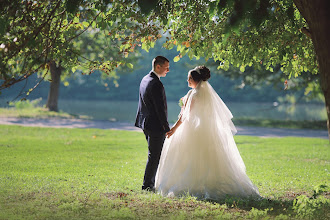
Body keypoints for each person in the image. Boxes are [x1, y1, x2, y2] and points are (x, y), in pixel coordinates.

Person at [155, 66, 260, 200]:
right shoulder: (204, 93)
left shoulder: (194, 94)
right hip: (206, 129)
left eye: (189, 79)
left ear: (194, 79)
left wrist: (174, 129)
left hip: (192, 129)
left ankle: (192, 183)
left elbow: (185, 117)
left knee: (189, 156)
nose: (187, 81)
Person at [135, 56, 171, 191]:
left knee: (153, 155)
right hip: (155, 126)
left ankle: (151, 183)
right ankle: (147, 185)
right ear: (158, 66)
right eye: (166, 67)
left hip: (146, 123)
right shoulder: (156, 83)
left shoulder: (145, 79)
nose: (168, 70)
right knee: (154, 156)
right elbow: (160, 109)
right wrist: (166, 127)